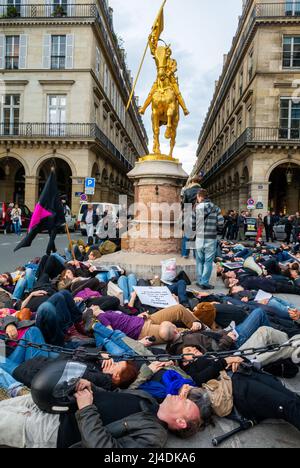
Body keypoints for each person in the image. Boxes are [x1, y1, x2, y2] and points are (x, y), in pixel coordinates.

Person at [193, 189, 224, 290]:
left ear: (200, 197)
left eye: (197, 197)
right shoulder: (216, 208)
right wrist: (216, 230)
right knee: (208, 261)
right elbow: (221, 223)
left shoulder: (196, 208)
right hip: (211, 237)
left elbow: (192, 224)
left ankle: (199, 281)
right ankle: (205, 282)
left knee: (199, 260)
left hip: (199, 237)